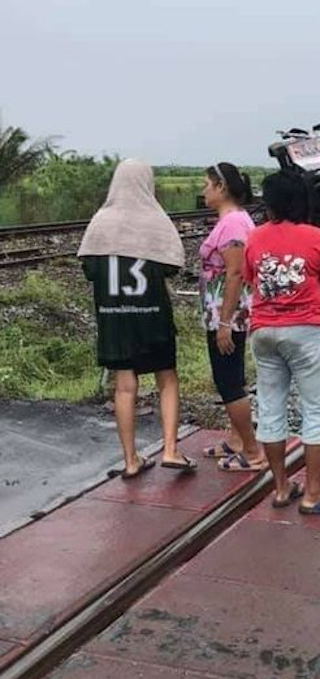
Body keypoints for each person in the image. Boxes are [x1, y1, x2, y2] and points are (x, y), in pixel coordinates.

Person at [78, 160, 196, 478]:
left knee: (124, 387)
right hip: (153, 316)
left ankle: (131, 460)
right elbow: (172, 267)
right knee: (166, 378)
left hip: (114, 318)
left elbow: (89, 270)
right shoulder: (155, 221)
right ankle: (171, 449)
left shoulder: (101, 221)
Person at [244, 171, 320, 514]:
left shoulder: (254, 237)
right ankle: (313, 493)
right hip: (305, 330)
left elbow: (251, 280)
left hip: (263, 331)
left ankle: (280, 489)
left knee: (271, 407)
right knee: (317, 409)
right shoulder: (316, 236)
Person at [199, 162, 266, 472]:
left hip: (229, 315)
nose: (204, 191)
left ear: (221, 188)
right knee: (231, 376)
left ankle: (252, 451)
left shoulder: (233, 224)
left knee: (228, 381)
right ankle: (237, 440)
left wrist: (225, 322)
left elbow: (235, 272)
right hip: (225, 314)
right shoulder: (233, 221)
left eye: (207, 185)